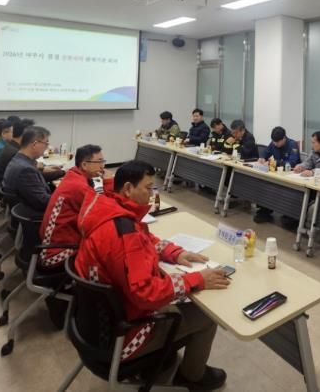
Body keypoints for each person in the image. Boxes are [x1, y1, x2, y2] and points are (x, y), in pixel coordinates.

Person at [76, 160, 229, 390]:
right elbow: (145, 293)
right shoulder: (123, 231)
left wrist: (175, 253)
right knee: (206, 316)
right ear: (128, 188)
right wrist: (198, 279)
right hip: (120, 338)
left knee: (175, 298)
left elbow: (144, 240)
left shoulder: (110, 210)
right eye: (148, 188)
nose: (152, 194)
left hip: (94, 325)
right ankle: (192, 377)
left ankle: (160, 362)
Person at [39, 144, 114, 270]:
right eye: (99, 161)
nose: (102, 166)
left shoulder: (73, 175)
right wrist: (108, 182)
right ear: (84, 165)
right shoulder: (79, 186)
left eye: (103, 161)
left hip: (54, 242)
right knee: (108, 250)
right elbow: (107, 212)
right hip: (55, 253)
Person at [3, 126, 61, 214]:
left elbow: (37, 178)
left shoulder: (20, 159)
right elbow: (43, 202)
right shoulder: (25, 169)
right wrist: (65, 195)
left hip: (27, 206)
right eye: (46, 143)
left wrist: (62, 173)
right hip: (34, 214)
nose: (47, 147)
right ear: (35, 144)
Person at [254, 127, 301, 224]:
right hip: (277, 175)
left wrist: (275, 163)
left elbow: (292, 163)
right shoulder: (274, 143)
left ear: (284, 138)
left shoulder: (292, 145)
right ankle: (264, 210)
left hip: (291, 176)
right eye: (274, 142)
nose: (275, 144)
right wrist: (262, 158)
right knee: (263, 184)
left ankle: (290, 215)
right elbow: (265, 152)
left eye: (277, 142)